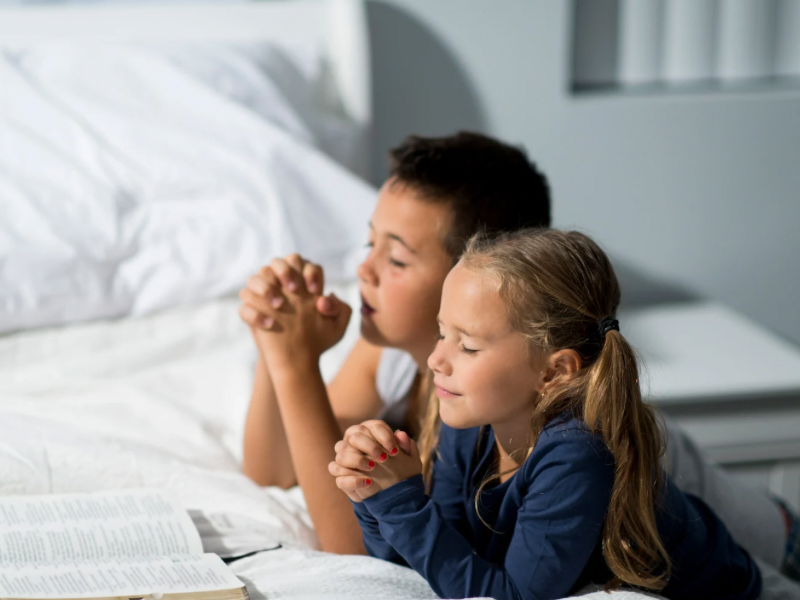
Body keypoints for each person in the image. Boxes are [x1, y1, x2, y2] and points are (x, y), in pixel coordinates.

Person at [237, 133, 799, 582]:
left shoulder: (579, 427)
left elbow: (346, 544)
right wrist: (278, 346)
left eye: (399, 259)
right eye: (369, 244)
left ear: (493, 271)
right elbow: (279, 469)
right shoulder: (423, 362)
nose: (363, 270)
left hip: (769, 542)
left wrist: (296, 365)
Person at [327, 229, 774, 599]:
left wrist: (401, 506)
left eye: (467, 345)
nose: (436, 360)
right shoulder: (470, 424)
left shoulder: (575, 456)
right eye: (441, 333)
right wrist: (376, 496)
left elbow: (513, 596)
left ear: (554, 372)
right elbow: (440, 560)